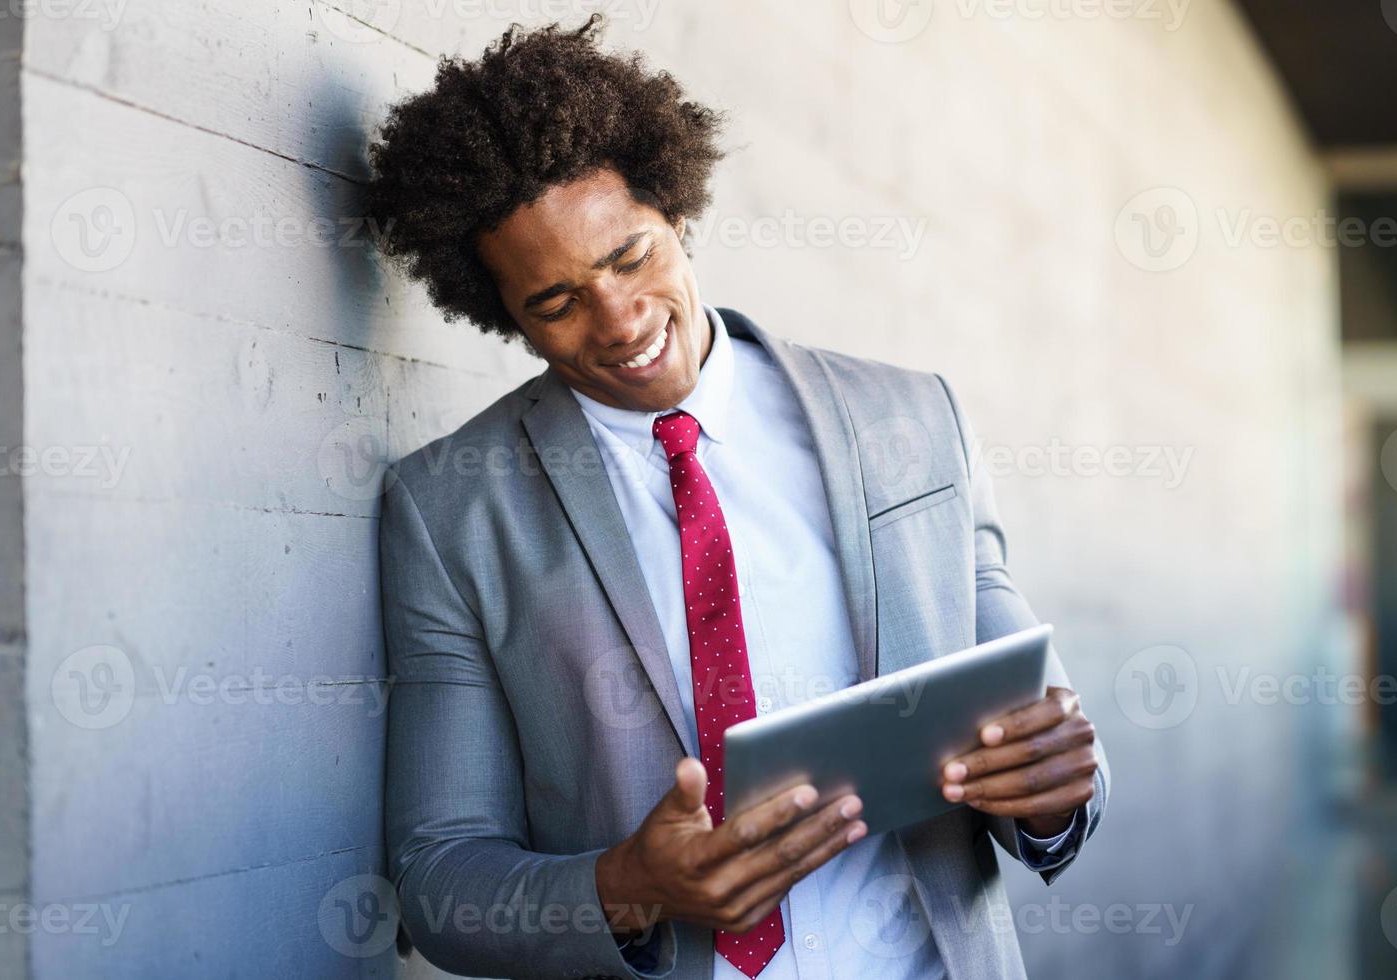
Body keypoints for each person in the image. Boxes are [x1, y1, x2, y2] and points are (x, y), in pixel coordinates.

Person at [367, 16, 1107, 980]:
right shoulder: (449, 512)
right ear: (503, 315)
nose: (619, 320)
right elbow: (437, 881)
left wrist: (1051, 790)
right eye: (555, 303)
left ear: (675, 212)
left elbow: (1032, 716)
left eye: (630, 257)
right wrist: (627, 885)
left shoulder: (912, 423)